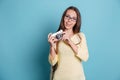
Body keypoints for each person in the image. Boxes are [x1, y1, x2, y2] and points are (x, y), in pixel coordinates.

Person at [48, 6, 89, 80]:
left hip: (77, 77)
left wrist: (70, 41)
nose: (69, 20)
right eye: (67, 16)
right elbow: (53, 62)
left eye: (73, 19)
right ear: (63, 17)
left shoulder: (80, 36)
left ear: (76, 22)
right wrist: (51, 46)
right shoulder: (57, 36)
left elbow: (85, 57)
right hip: (59, 77)